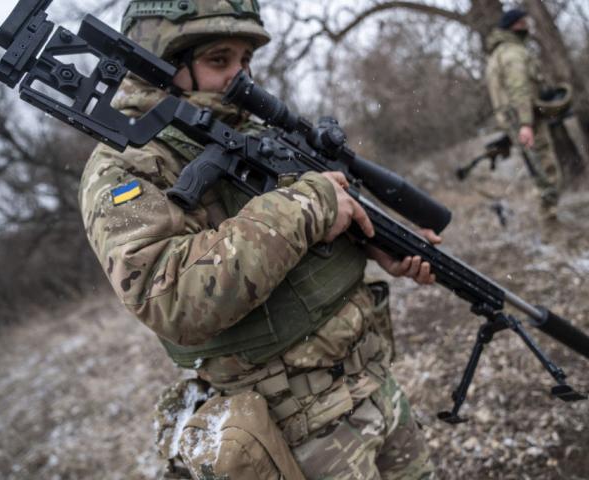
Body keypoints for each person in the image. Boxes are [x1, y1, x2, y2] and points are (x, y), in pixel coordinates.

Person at [78, 1, 437, 478]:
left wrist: (372, 242)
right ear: (160, 63)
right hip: (298, 431)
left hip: (373, 382)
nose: (240, 77)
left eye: (245, 60)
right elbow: (169, 297)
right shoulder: (126, 163)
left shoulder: (247, 128)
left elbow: (301, 237)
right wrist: (309, 205)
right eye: (219, 60)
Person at [485, 8, 562, 223]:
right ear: (515, 25)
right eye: (523, 22)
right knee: (545, 169)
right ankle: (550, 218)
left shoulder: (498, 54)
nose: (527, 26)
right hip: (526, 120)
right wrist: (526, 123)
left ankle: (549, 213)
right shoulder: (513, 53)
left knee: (537, 167)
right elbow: (519, 89)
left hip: (516, 120)